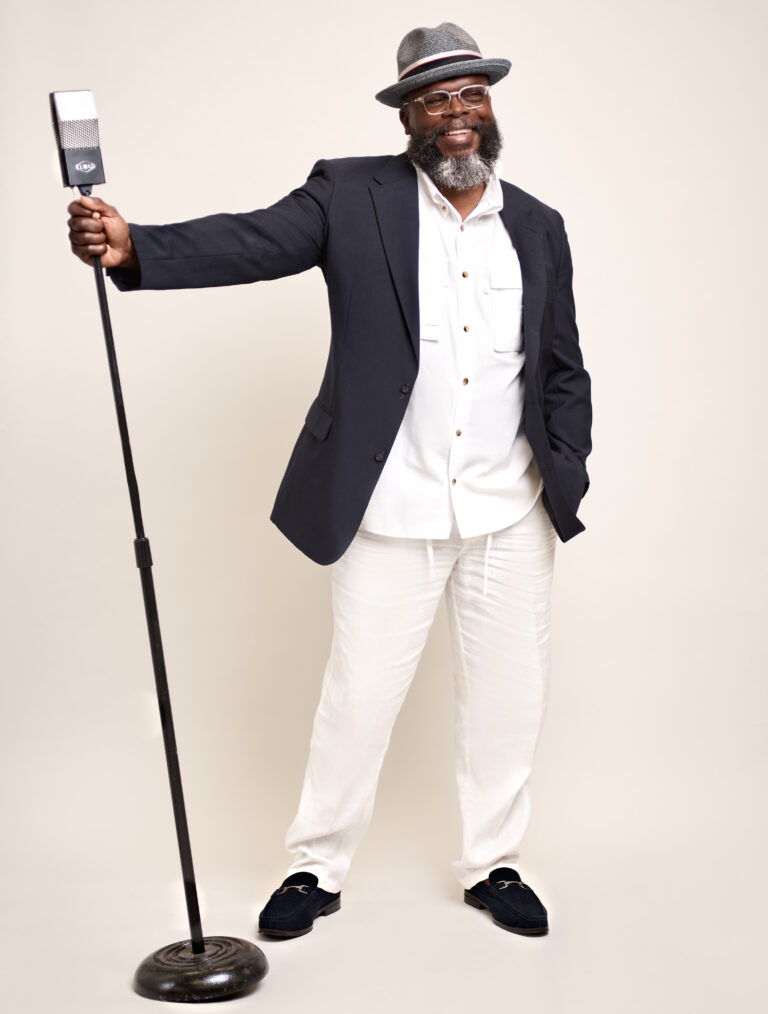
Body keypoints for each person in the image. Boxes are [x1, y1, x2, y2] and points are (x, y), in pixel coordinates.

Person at [67, 22, 592, 939]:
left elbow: (560, 366)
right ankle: (316, 866)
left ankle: (494, 863)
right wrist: (134, 245)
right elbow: (254, 241)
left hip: (512, 509)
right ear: (407, 117)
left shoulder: (538, 226)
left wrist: (566, 467)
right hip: (391, 505)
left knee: (509, 700)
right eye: (435, 99)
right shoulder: (351, 196)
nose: (457, 113)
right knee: (358, 698)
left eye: (471, 94)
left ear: (490, 106)